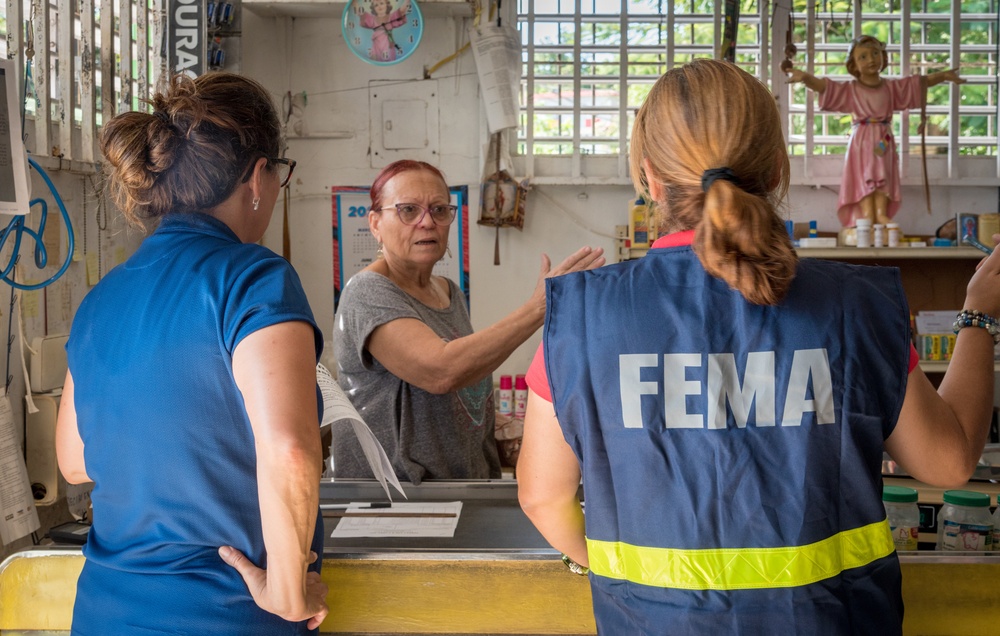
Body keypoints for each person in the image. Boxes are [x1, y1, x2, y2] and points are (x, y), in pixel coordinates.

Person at [517, 59, 1000, 635]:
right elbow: (947, 462)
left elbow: (543, 499)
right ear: (776, 169)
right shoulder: (856, 305)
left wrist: (627, 578)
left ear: (649, 179)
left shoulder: (582, 317)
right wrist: (978, 315)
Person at [55, 72, 329, 634]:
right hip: (222, 614)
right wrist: (286, 590)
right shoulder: (254, 279)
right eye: (280, 173)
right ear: (259, 176)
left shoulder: (101, 300)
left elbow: (75, 460)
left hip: (105, 611)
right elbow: (291, 452)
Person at [333, 159, 604, 484]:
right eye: (408, 210)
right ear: (375, 223)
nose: (426, 222)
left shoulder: (448, 292)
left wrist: (504, 427)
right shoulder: (367, 291)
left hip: (460, 488)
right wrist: (538, 308)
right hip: (397, 503)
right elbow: (441, 371)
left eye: (439, 210)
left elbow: (460, 390)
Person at [787, 35, 964, 227]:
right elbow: (825, 87)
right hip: (861, 140)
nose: (871, 60)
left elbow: (917, 83)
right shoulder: (851, 89)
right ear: (853, 64)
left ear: (883, 56)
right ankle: (866, 215)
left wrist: (943, 76)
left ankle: (880, 213)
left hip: (884, 138)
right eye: (863, 57)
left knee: (883, 176)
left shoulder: (890, 87)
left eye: (875, 54)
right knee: (864, 176)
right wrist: (805, 77)